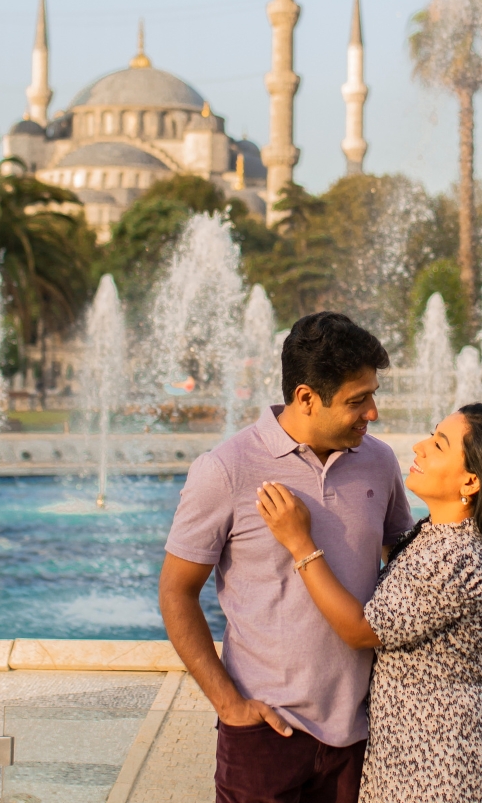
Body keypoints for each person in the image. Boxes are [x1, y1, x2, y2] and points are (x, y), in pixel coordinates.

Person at [158, 312, 415, 803]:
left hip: (363, 735)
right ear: (305, 398)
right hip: (264, 735)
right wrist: (229, 704)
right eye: (357, 401)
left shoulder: (380, 461)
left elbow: (407, 572)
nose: (373, 413)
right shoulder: (225, 469)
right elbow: (176, 590)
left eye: (373, 395)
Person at [256, 403, 482, 803]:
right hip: (419, 755)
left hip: (441, 769)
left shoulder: (453, 557)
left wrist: (299, 542)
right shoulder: (438, 536)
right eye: (431, 434)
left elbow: (360, 630)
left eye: (439, 445)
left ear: (471, 482)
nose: (420, 447)